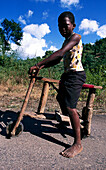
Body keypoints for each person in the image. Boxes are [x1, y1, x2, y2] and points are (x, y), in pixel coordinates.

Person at [29, 11, 86, 158]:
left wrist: (38, 63)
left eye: (66, 26)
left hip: (76, 75)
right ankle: (72, 122)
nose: (62, 29)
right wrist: (41, 67)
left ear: (73, 25)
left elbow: (60, 53)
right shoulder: (66, 41)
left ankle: (78, 143)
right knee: (61, 99)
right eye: (60, 27)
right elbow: (57, 60)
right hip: (67, 75)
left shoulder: (75, 37)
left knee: (70, 107)